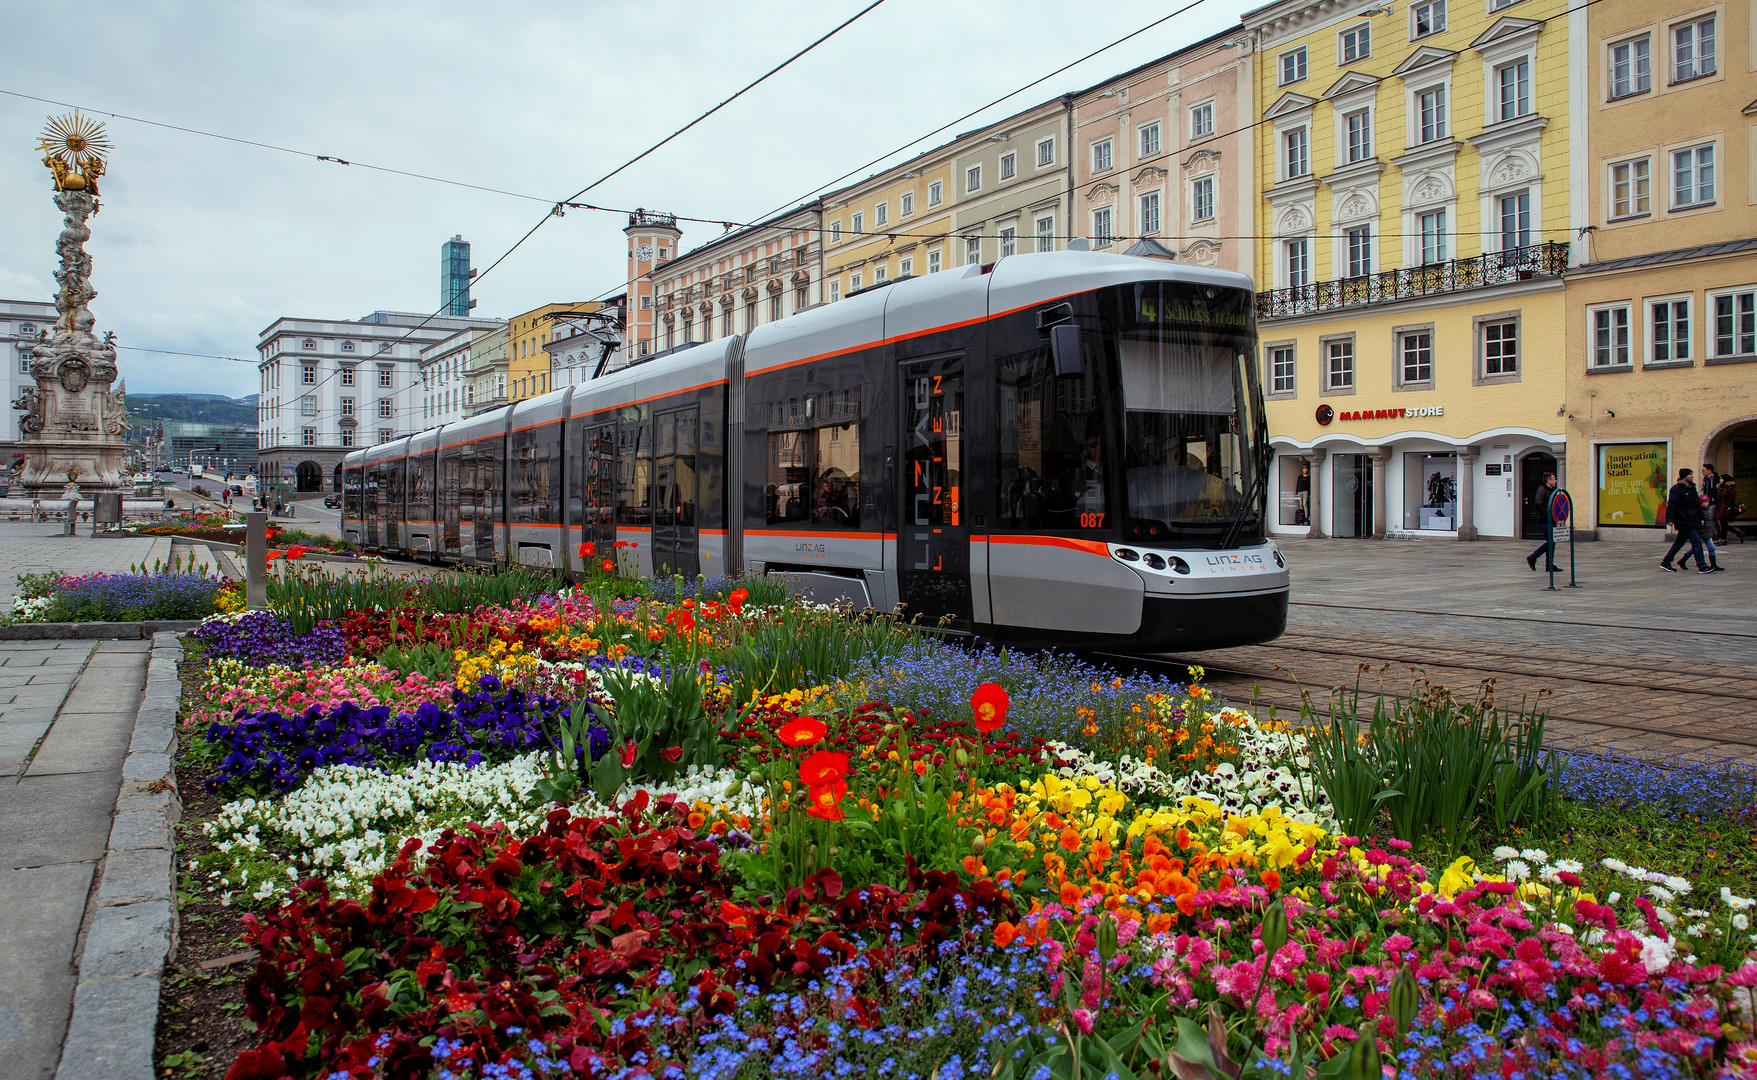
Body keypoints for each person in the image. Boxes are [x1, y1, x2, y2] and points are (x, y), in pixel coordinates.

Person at [1660, 467, 1711, 573]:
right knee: (1697, 542)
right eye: (1690, 474)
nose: (1692, 476)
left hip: (1692, 519)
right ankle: (1702, 566)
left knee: (1679, 542)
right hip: (1683, 520)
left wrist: (1701, 517)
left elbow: (1697, 504)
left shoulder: (1692, 488)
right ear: (1685, 476)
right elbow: (1672, 505)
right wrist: (1669, 519)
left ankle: (1666, 561)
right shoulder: (1676, 489)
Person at [1526, 472, 1562, 571]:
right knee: (1551, 542)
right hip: (1545, 520)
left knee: (1552, 542)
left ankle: (1549, 564)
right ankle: (1533, 557)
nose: (1556, 481)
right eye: (1554, 479)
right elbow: (1538, 504)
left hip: (1551, 519)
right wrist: (1548, 514)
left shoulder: (1551, 491)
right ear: (1548, 480)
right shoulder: (1542, 490)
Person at [1715, 473, 1740, 542]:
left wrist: (1727, 506)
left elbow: (1731, 499)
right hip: (1721, 507)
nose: (1720, 480)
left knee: (1723, 523)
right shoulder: (1722, 488)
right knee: (1723, 523)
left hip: (1726, 508)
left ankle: (1724, 538)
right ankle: (1738, 533)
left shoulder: (1730, 488)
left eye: (1721, 478)